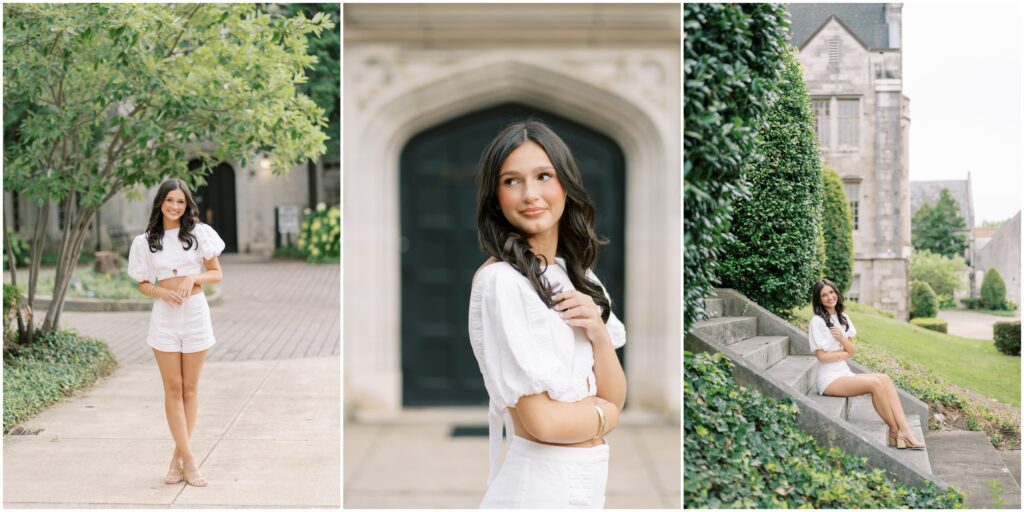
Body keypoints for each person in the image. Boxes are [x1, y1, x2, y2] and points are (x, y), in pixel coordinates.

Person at [467, 120, 628, 508]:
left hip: (585, 480)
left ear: (565, 186)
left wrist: (598, 334)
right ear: (496, 197)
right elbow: (544, 423)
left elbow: (617, 392)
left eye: (543, 176)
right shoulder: (502, 282)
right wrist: (607, 415)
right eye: (511, 181)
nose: (530, 194)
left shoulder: (576, 276)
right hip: (540, 486)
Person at [128, 178, 225, 486]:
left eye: (181, 201)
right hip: (164, 318)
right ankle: (191, 461)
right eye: (170, 200)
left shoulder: (199, 234)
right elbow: (143, 283)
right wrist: (160, 292)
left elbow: (216, 274)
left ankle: (177, 457)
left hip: (195, 314)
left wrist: (190, 278)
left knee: (190, 390)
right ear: (160, 202)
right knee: (173, 388)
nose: (175, 206)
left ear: (187, 205)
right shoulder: (144, 241)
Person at [809, 278, 925, 450]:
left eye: (831, 292)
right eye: (824, 295)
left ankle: (904, 430)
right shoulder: (817, 321)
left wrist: (841, 339)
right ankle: (896, 431)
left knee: (884, 378)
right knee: (875, 383)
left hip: (844, 373)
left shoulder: (844, 318)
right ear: (819, 300)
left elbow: (852, 351)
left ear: (836, 293)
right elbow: (822, 357)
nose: (829, 297)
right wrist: (844, 352)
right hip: (828, 379)